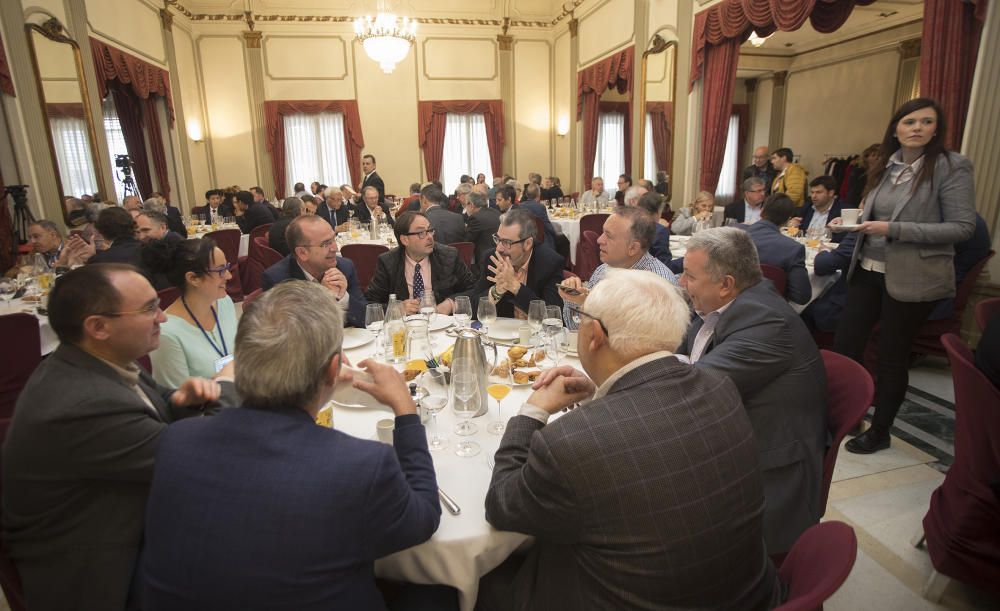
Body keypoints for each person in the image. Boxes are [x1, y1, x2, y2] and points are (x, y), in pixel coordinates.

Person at [479, 269, 780, 611]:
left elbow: (502, 506)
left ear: (593, 335)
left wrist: (530, 413)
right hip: (745, 595)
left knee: (482, 584)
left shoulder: (571, 444)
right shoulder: (719, 386)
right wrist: (602, 399)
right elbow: (651, 439)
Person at [141, 282, 453, 610]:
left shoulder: (177, 439)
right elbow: (423, 520)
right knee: (443, 593)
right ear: (334, 369)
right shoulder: (360, 465)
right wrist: (405, 411)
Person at [1, 264, 235, 611]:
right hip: (98, 570)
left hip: (123, 516)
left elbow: (149, 408)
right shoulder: (80, 404)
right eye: (149, 309)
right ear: (98, 327)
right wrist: (227, 385)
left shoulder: (97, 359)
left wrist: (182, 401)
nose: (163, 318)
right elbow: (197, 460)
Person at [834, 98, 977, 454]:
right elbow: (872, 217)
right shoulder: (886, 165)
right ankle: (849, 414)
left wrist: (893, 228)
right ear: (895, 128)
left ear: (936, 129)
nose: (916, 128)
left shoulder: (951, 166)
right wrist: (850, 225)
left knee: (891, 355)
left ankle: (880, 431)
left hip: (913, 275)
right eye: (909, 121)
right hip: (868, 268)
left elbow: (962, 228)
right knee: (846, 344)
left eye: (926, 122)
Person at [676, 227, 827, 554]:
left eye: (689, 276)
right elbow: (687, 352)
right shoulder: (733, 303)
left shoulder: (765, 322)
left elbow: (694, 388)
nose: (681, 283)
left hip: (768, 471)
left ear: (726, 284)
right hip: (736, 430)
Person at [560, 206, 677, 329]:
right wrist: (574, 300)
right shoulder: (603, 271)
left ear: (633, 248)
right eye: (602, 232)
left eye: (609, 236)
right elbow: (576, 329)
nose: (599, 240)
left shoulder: (660, 288)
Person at [145, 238, 238, 387]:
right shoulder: (167, 334)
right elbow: (179, 400)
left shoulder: (224, 302)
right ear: (193, 278)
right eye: (221, 271)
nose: (229, 276)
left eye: (226, 267)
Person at [261, 215, 366, 328]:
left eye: (333, 239)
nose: (335, 248)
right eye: (326, 243)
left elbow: (367, 318)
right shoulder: (278, 280)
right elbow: (289, 333)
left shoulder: (345, 267)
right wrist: (321, 297)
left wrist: (344, 298)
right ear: (302, 253)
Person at [365, 212, 476, 315]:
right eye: (421, 233)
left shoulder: (449, 256)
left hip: (441, 324)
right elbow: (369, 303)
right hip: (405, 327)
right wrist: (397, 308)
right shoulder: (388, 262)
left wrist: (451, 303)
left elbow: (474, 290)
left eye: (430, 230)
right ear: (404, 240)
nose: (430, 237)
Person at [475, 209, 564, 318]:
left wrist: (514, 286)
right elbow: (476, 307)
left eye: (507, 242)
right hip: (501, 332)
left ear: (527, 244)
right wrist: (496, 291)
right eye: (498, 239)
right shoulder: (492, 258)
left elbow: (552, 316)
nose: (499, 248)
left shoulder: (550, 263)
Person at [742, 193, 811, 305]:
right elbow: (801, 296)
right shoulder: (793, 248)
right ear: (788, 220)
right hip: (771, 309)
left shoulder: (734, 234)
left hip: (731, 305)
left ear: (761, 211)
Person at [463, 190, 502, 278]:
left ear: (471, 205)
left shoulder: (475, 218)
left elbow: (467, 241)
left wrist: (466, 229)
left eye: (466, 205)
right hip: (500, 256)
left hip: (485, 261)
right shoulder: (496, 212)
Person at [796, 175, 845, 242]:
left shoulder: (842, 211)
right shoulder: (807, 207)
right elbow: (799, 233)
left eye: (818, 192)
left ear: (831, 193)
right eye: (812, 192)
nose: (813, 196)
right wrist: (793, 226)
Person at [633, 191, 672, 265]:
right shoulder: (660, 231)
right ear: (658, 211)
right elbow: (665, 266)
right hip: (651, 274)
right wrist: (684, 260)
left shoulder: (631, 223)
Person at [516, 183, 559, 249]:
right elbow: (548, 227)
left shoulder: (519, 206)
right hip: (541, 241)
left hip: (524, 238)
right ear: (539, 194)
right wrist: (556, 233)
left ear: (526, 194)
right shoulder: (540, 207)